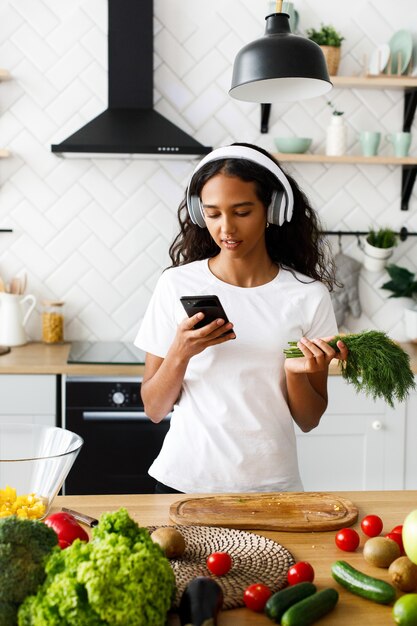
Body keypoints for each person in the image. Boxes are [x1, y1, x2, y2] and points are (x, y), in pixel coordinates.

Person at [134, 142, 348, 494]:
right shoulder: (175, 284)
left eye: (242, 211)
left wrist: (296, 373)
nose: (226, 228)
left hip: (273, 489)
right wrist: (180, 353)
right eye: (213, 213)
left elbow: (309, 420)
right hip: (184, 483)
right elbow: (154, 408)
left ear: (273, 210)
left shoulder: (308, 295)